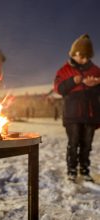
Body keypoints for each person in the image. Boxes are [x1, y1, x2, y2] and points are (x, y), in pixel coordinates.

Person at [54, 34, 100, 182]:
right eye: (81, 56)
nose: (85, 60)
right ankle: (72, 170)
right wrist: (73, 81)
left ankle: (84, 170)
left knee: (87, 145)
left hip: (90, 114)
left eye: (88, 57)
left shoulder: (96, 71)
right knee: (73, 143)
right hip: (72, 115)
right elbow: (59, 89)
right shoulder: (64, 70)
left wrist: (96, 85)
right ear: (73, 53)